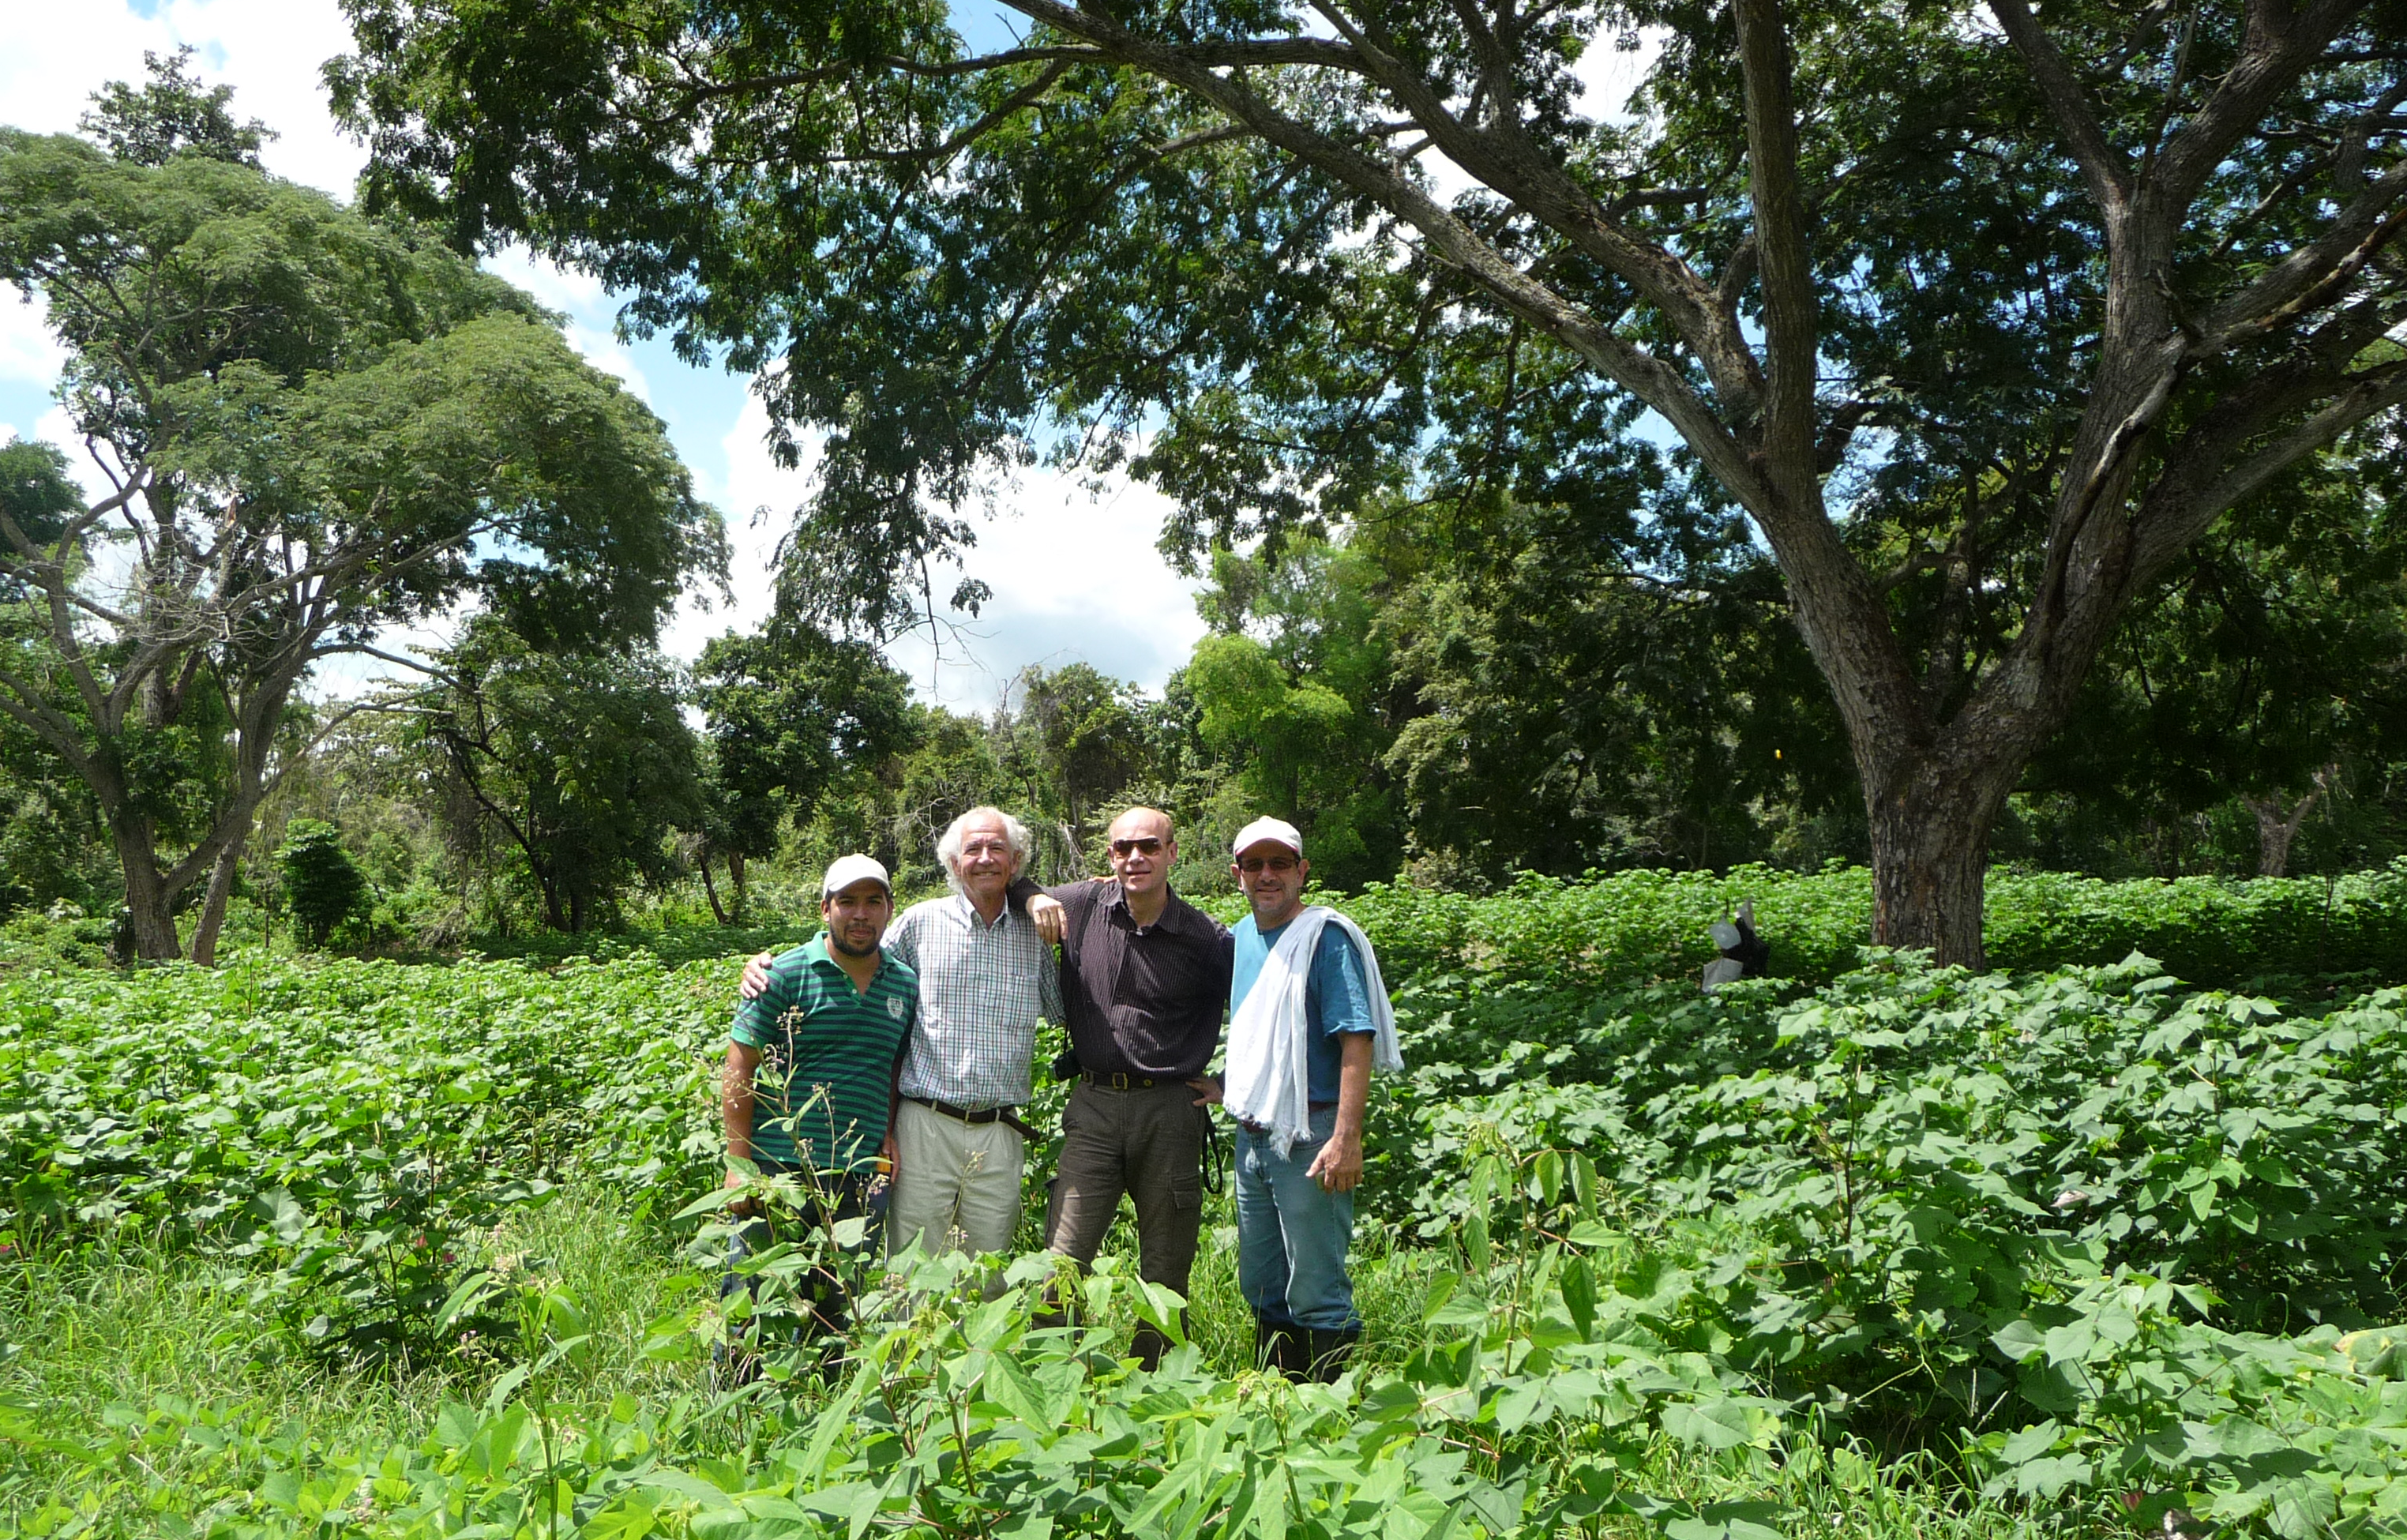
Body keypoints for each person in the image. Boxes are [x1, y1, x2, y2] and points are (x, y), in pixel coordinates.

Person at [742, 809, 1064, 1265]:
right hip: (924, 1126)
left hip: (1000, 1132)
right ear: (954, 864)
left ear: (1016, 862)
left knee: (990, 1272)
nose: (985, 859)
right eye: (973, 849)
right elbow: (856, 957)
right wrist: (773, 965)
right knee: (912, 1268)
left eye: (998, 850)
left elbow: (1069, 1011)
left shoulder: (1037, 935)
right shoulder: (919, 923)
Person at [1022, 806, 1233, 1369]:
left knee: (1165, 1268)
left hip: (1171, 1110)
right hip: (1093, 1106)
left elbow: (1267, 1008)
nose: (1134, 857)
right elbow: (1011, 877)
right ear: (1109, 856)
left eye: (1148, 846)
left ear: (1172, 853)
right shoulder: (1082, 906)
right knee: (1061, 1261)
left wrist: (1228, 1082)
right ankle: (1057, 1381)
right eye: (1122, 848)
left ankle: (1154, 1384)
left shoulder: (1206, 937)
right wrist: (1033, 896)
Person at [1220, 816, 1401, 1381]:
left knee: (1317, 1284)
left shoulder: (1326, 938)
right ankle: (1281, 1398)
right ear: (1238, 874)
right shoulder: (1240, 938)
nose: (1267, 875)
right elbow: (1264, 1038)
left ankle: (1331, 1413)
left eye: (1279, 864)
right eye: (1255, 864)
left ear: (1303, 872)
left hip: (1312, 1133)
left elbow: (1356, 1037)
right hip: (1252, 1134)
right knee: (1263, 1281)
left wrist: (1347, 1138)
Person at [720, 854, 918, 1371]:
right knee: (753, 1292)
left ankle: (829, 1413)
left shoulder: (904, 983)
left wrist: (890, 1129)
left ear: (889, 909)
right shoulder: (782, 974)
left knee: (839, 1301)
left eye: (873, 902)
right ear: (825, 908)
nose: (861, 914)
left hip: (859, 1173)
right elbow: (739, 1065)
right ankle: (739, 1408)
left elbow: (893, 1064)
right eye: (848, 901)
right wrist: (738, 1165)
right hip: (779, 1168)